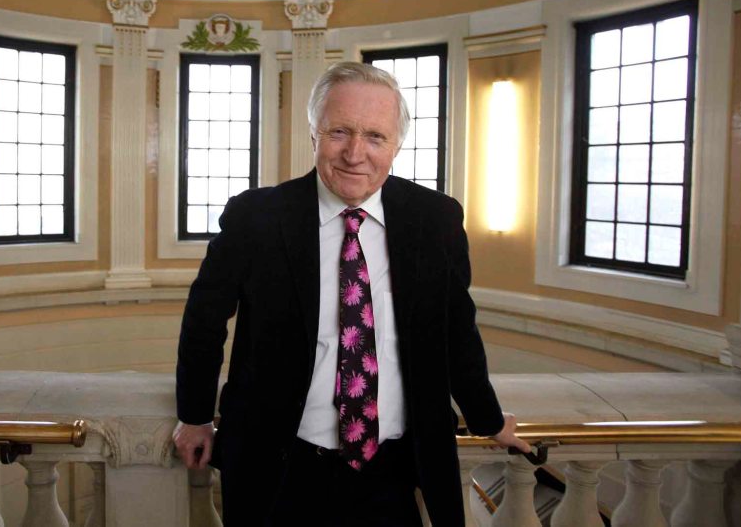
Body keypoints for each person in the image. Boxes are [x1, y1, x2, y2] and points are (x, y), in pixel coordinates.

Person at [174, 61, 528, 526]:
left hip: (395, 467)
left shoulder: (435, 219)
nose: (355, 154)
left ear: (397, 145)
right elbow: (204, 319)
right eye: (339, 131)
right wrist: (196, 414)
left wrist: (487, 417)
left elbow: (456, 329)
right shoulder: (255, 217)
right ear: (313, 135)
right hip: (282, 465)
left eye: (375, 137)